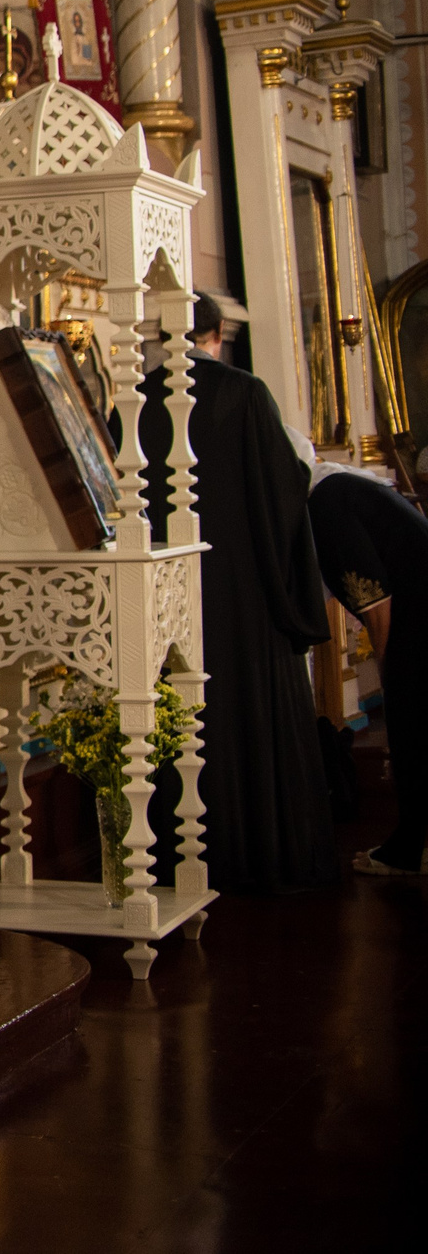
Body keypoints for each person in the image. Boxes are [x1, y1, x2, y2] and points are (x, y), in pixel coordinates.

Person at [136, 293, 336, 893]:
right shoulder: (244, 393)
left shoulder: (135, 400)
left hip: (164, 600)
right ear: (217, 332)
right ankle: (263, 855)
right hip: (246, 597)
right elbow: (282, 493)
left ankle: (179, 860)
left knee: (180, 714)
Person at [307, 471, 428, 876]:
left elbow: (377, 609)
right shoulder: (344, 487)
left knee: (411, 725)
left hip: (417, 618)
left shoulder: (325, 505)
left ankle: (407, 853)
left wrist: (392, 685)